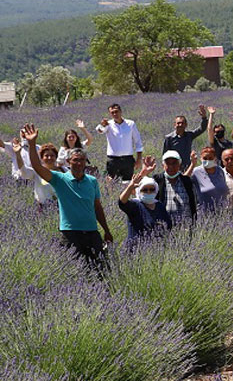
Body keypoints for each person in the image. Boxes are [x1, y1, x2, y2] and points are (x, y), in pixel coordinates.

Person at [21, 125, 114, 268]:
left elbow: (97, 207)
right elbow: (37, 167)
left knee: (102, 269)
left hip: (92, 232)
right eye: (75, 160)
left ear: (85, 162)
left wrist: (106, 230)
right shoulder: (60, 179)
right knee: (76, 271)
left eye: (82, 160)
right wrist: (32, 144)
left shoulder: (92, 181)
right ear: (69, 162)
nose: (78, 163)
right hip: (71, 234)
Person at [117, 159, 173, 242]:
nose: (148, 192)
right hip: (136, 250)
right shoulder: (135, 205)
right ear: (139, 191)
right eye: (145, 190)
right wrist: (130, 187)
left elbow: (168, 226)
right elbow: (122, 203)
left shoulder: (159, 205)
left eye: (151, 189)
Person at [96, 103, 144, 181]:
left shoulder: (130, 124)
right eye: (112, 112)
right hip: (113, 160)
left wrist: (139, 159)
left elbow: (138, 141)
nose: (115, 114)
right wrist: (102, 125)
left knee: (128, 183)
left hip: (127, 160)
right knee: (112, 183)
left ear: (121, 111)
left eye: (116, 111)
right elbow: (100, 131)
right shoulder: (108, 124)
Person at [155, 150, 198, 225]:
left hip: (186, 228)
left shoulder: (187, 181)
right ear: (163, 165)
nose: (171, 166)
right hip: (164, 228)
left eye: (174, 163)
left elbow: (193, 203)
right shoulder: (157, 181)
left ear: (179, 165)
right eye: (168, 163)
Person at [190, 145, 231, 213]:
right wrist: (192, 164)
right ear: (201, 159)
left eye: (210, 158)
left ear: (215, 158)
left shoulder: (220, 170)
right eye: (205, 158)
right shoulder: (196, 172)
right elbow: (183, 180)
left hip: (222, 214)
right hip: (204, 214)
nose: (208, 160)